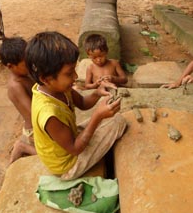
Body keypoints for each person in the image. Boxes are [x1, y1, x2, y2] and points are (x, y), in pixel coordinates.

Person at [25, 31, 127, 180]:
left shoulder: (57, 87)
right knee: (118, 122)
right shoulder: (48, 114)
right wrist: (97, 116)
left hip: (70, 140)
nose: (75, 77)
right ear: (46, 79)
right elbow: (74, 149)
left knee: (108, 119)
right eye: (69, 73)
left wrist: (97, 93)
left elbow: (83, 103)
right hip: (67, 165)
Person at [0, 37, 37, 164]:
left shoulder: (25, 74)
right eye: (26, 63)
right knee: (53, 156)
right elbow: (32, 113)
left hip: (39, 122)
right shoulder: (15, 86)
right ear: (11, 66)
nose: (31, 64)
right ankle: (22, 147)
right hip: (34, 130)